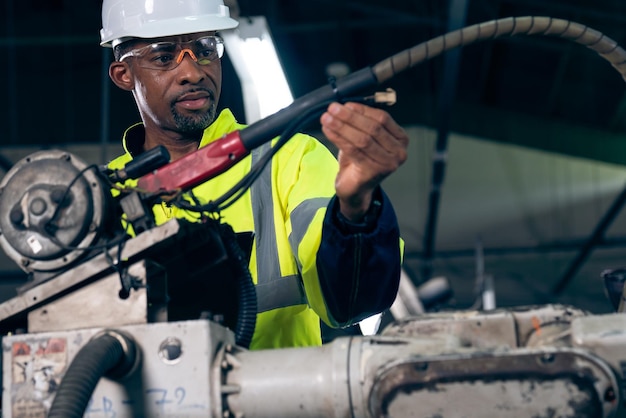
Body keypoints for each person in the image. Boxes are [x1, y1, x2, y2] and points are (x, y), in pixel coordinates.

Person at [101, 0, 409, 350]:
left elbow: (352, 304)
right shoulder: (99, 199)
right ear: (123, 75)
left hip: (279, 401)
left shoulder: (289, 157)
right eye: (163, 56)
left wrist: (355, 211)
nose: (194, 72)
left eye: (204, 49)